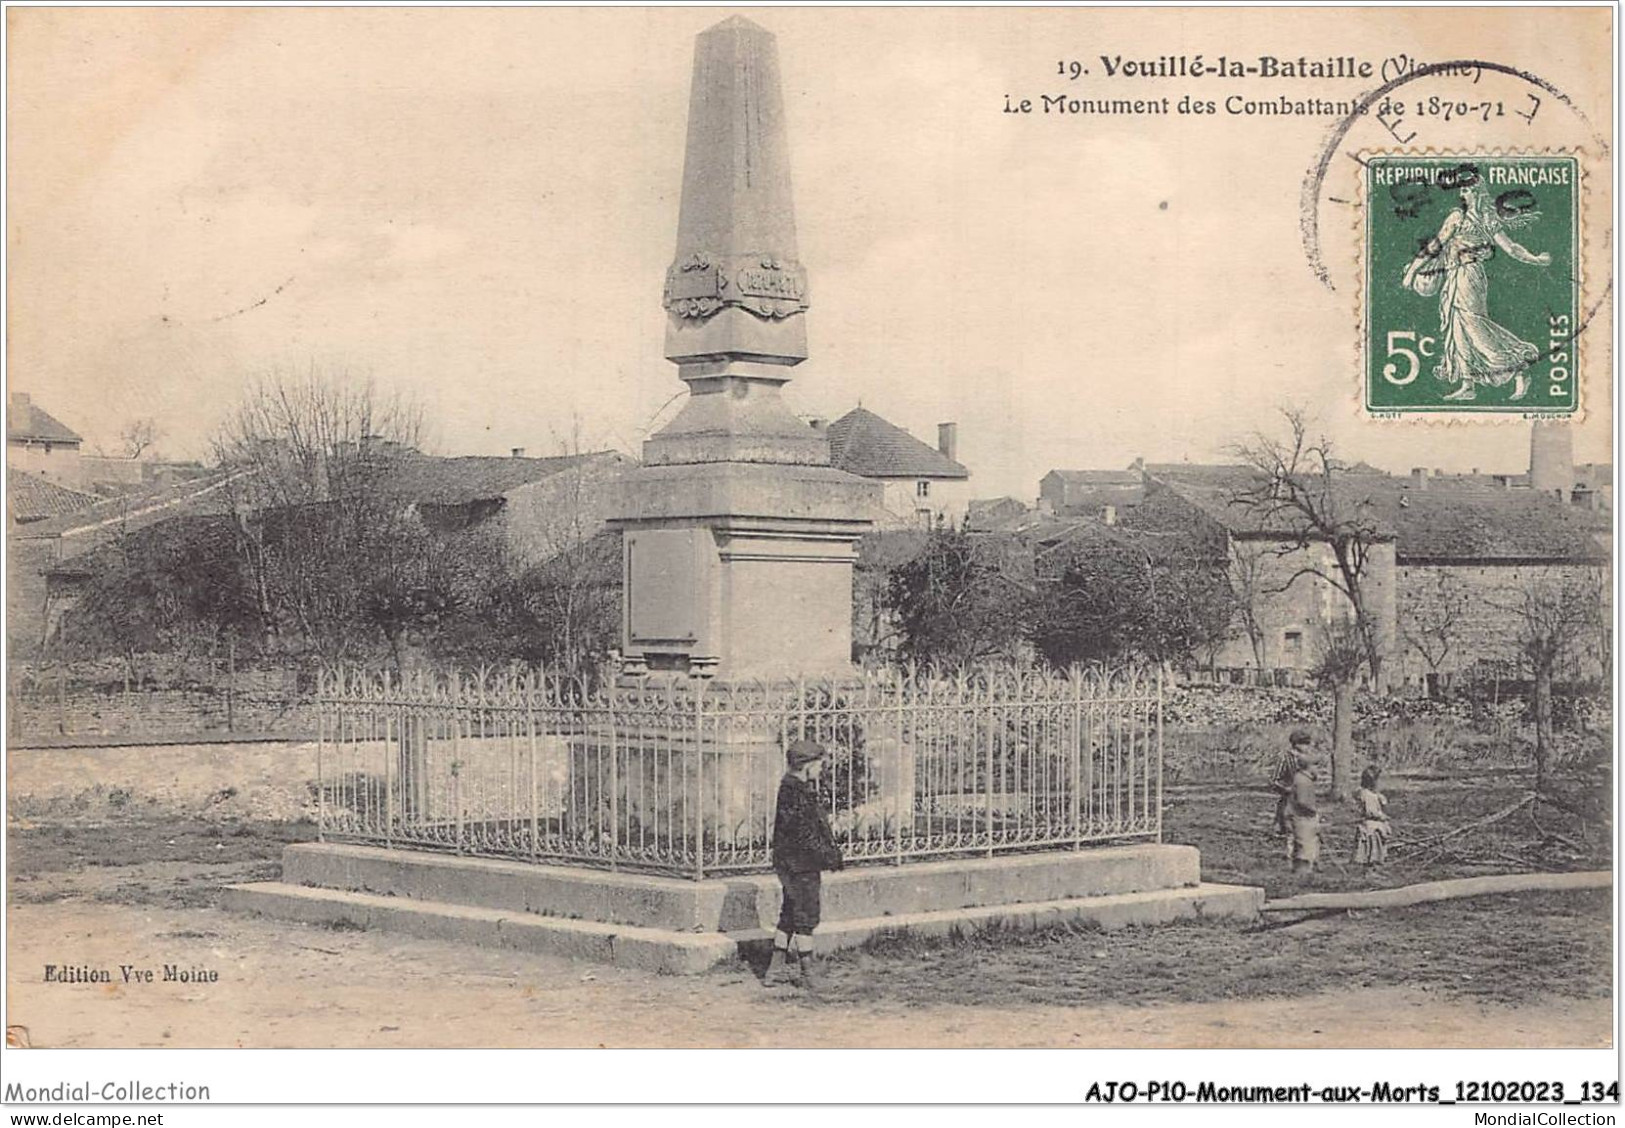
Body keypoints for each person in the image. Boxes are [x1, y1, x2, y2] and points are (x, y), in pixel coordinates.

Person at [1403, 178, 1552, 402]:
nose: (1464, 193)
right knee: (1457, 329)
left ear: (1478, 191)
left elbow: (1510, 247)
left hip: (1470, 276)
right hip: (1454, 276)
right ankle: (1467, 384)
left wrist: (1536, 259)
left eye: (1468, 189)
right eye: (1463, 189)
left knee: (1474, 327)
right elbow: (1436, 245)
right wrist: (1412, 270)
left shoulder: (1487, 219)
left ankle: (1518, 367)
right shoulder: (1457, 217)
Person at [764, 738, 844, 989]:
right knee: (807, 915)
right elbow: (804, 833)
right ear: (806, 765)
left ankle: (774, 970)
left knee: (789, 912)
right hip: (801, 864)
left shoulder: (791, 788)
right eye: (819, 764)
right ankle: (808, 973)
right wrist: (828, 855)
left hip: (790, 862)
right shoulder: (796, 791)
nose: (821, 769)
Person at [1271, 730, 1313, 836]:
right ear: (1296, 744)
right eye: (1304, 744)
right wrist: (1286, 789)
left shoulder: (1306, 758)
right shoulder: (1285, 757)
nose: (1307, 747)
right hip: (1288, 795)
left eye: (1307, 743)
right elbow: (1275, 780)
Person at [1286, 750, 1320, 875]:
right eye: (1316, 766)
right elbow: (1302, 801)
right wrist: (1313, 810)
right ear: (1308, 767)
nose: (1317, 769)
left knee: (1310, 842)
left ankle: (1309, 868)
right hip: (1302, 818)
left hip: (1303, 817)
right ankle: (1302, 871)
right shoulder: (1302, 781)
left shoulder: (1305, 779)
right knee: (1304, 844)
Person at [1352, 764, 1391, 868]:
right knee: (1372, 848)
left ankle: (1374, 867)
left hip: (1375, 825)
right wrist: (1382, 816)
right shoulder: (1367, 795)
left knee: (1378, 848)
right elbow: (1371, 812)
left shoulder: (1374, 795)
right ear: (1373, 782)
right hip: (1371, 826)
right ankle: (1371, 868)